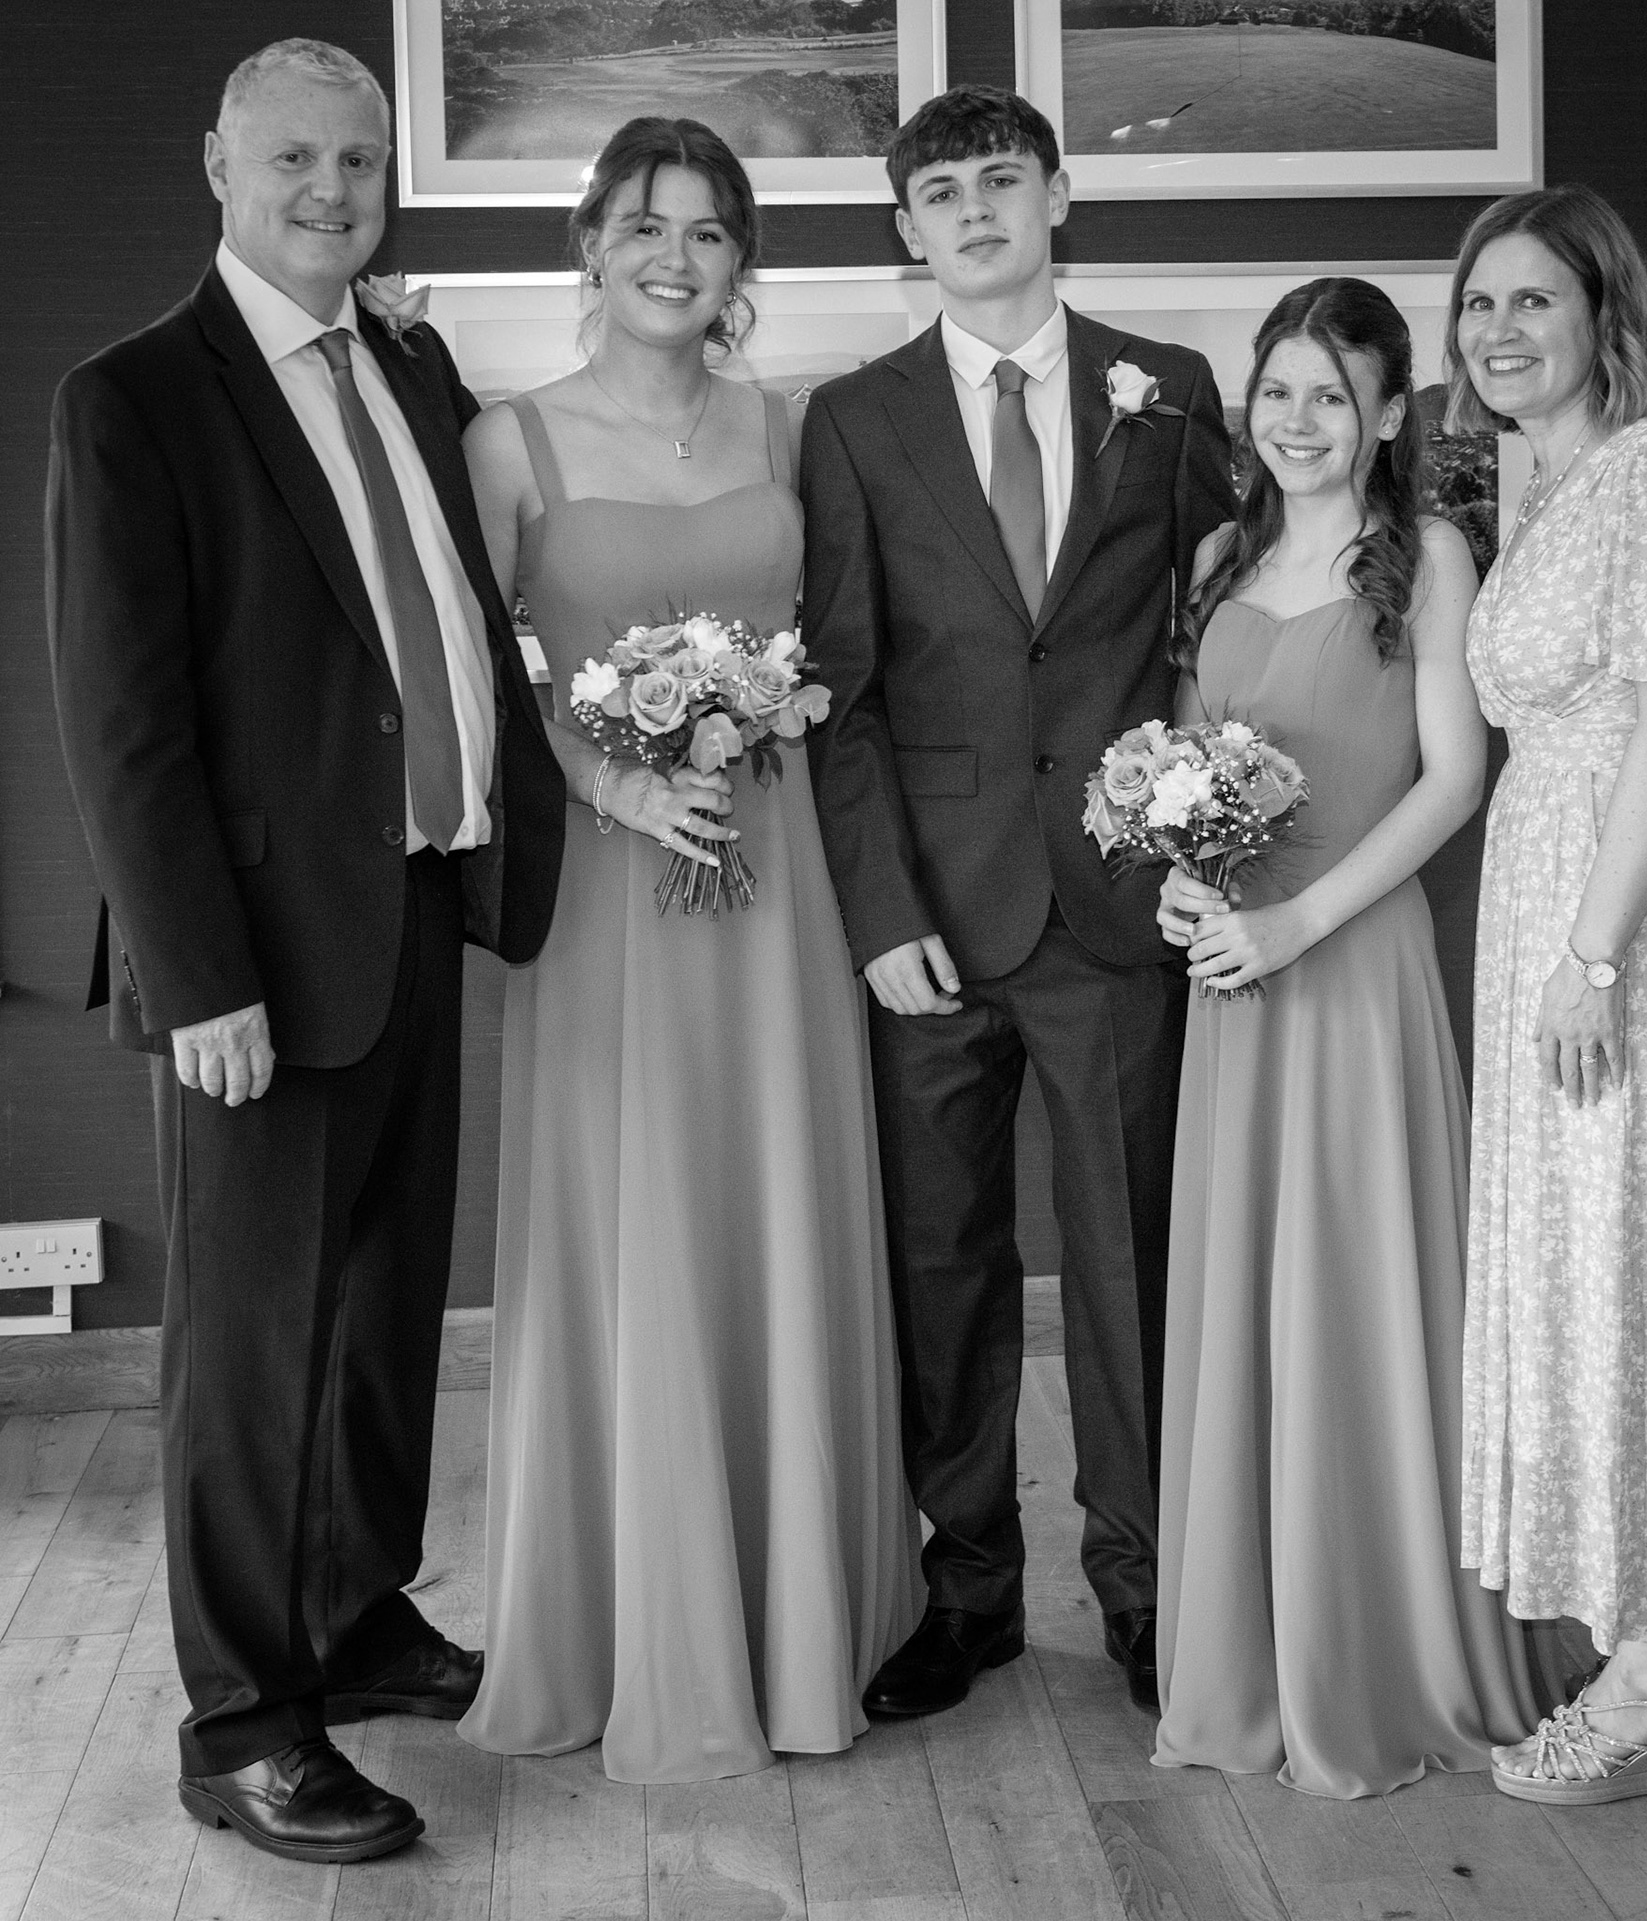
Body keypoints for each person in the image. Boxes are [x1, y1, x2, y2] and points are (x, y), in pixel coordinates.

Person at [44, 40, 565, 1864]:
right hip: (253, 956)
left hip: (412, 902)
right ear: (218, 165)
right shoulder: (134, 400)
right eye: (295, 160)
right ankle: (245, 1721)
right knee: (253, 1352)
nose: (333, 190)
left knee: (385, 1309)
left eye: (359, 160)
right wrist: (199, 978)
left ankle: (353, 1611)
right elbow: (123, 726)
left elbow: (436, 618)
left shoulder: (406, 364)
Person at [456, 117, 922, 1784]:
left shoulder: (794, 426)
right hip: (608, 885)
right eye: (646, 224)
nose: (676, 256)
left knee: (775, 1197)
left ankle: (802, 1621)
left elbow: (850, 652)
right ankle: (636, 1620)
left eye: (711, 231)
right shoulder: (507, 442)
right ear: (591, 242)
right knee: (636, 1210)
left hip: (774, 877)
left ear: (741, 265)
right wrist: (612, 782)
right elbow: (473, 678)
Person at [801, 85, 1236, 1721]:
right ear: (906, 227)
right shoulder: (854, 419)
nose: (975, 209)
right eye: (941, 191)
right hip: (930, 921)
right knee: (945, 1265)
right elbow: (842, 691)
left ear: (1057, 196)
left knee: (1130, 1265)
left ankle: (1144, 1585)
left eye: (1002, 178)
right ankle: (967, 1588)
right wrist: (876, 911)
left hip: (1119, 911)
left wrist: (1207, 838)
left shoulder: (1168, 392)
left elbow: (1222, 638)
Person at [1149, 278, 1538, 1797]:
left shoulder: (1428, 556)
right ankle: (1252, 1640)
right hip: (1232, 973)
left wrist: (1302, 922)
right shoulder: (1216, 558)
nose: (1298, 420)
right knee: (1250, 1292)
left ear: (1386, 414)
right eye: (1278, 390)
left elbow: (1454, 780)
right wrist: (1185, 875)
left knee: (1358, 1288)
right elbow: (1189, 765)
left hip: (1352, 958)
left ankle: (1376, 1643)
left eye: (1333, 394)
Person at [1449, 184, 1647, 1805]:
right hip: (1550, 897)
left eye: (1535, 300)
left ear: (1603, 314)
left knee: (1645, 1266)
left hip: (1623, 923)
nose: (1500, 330)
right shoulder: (1543, 481)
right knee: (1593, 1271)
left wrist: (1590, 955)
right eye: (1479, 304)